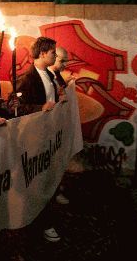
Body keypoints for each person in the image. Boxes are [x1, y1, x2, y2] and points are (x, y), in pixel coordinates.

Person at [16, 37, 64, 243]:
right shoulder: (27, 78)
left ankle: (44, 214)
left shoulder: (49, 75)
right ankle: (42, 223)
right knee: (37, 181)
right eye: (52, 52)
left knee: (46, 178)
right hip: (34, 140)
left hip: (48, 137)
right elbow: (16, 108)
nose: (55, 55)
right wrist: (39, 109)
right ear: (43, 53)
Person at [47, 46, 75, 205]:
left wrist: (65, 84)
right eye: (62, 60)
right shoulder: (45, 76)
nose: (65, 64)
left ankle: (55, 190)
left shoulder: (55, 75)